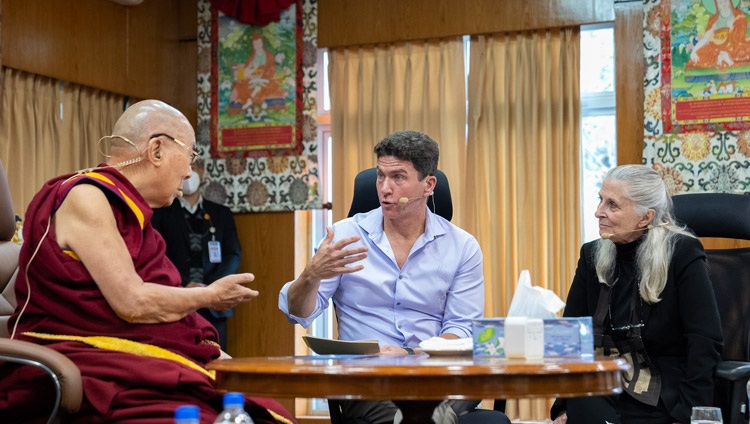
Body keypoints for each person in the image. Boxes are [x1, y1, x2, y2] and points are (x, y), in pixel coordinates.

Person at [0, 100, 295, 424]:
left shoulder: (132, 212)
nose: (189, 170)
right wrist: (209, 296)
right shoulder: (87, 197)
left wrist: (217, 357)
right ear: (156, 150)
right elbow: (132, 302)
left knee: (260, 410)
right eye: (191, 154)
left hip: (128, 354)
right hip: (92, 359)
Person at [278, 131, 510, 424]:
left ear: (428, 184)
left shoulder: (462, 246)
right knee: (403, 415)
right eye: (380, 176)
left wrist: (411, 353)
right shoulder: (345, 236)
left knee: (465, 390)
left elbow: (461, 329)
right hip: (367, 381)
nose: (384, 188)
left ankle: (430, 413)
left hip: (437, 376)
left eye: (398, 177)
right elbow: (297, 313)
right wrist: (311, 275)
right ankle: (431, 416)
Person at [550, 165, 723, 424]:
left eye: (613, 205)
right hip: (602, 385)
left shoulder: (681, 253)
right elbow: (572, 337)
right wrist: (563, 405)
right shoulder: (591, 255)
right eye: (600, 200)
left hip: (664, 392)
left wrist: (687, 415)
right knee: (584, 401)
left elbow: (704, 340)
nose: (599, 212)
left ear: (645, 217)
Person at [152, 161, 241, 351]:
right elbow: (157, 256)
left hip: (215, 305)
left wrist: (212, 288)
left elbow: (233, 254)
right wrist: (184, 284)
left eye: (195, 167)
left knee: (217, 360)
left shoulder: (220, 213)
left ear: (202, 171)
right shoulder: (160, 213)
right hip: (176, 299)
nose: (189, 174)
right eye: (184, 167)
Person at [686, 0, 750, 71]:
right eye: (720, 2)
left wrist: (732, 29)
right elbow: (706, 38)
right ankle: (723, 57)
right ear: (717, 5)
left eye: (725, 1)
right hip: (716, 47)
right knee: (699, 54)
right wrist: (694, 51)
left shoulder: (739, 15)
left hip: (735, 45)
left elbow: (740, 35)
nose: (723, 4)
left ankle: (726, 58)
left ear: (729, 2)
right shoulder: (713, 20)